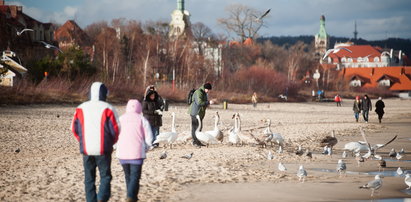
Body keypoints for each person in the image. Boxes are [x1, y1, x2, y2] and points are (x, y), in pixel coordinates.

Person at [71, 82, 120, 202]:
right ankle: (102, 198)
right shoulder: (108, 108)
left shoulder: (81, 108)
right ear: (104, 93)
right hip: (103, 148)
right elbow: (116, 129)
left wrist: (82, 141)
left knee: (89, 178)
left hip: (87, 149)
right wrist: (111, 143)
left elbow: (74, 128)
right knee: (105, 176)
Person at [116, 99, 153, 202]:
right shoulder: (142, 119)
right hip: (136, 153)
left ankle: (132, 196)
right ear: (139, 108)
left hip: (122, 154)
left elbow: (114, 134)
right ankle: (131, 197)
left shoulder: (121, 119)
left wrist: (116, 146)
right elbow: (149, 137)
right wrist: (146, 147)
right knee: (135, 177)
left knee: (128, 176)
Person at [188, 82, 214, 147]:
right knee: (195, 128)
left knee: (199, 127)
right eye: (208, 89)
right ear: (205, 88)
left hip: (200, 113)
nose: (208, 91)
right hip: (195, 113)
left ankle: (198, 141)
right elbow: (199, 102)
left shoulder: (204, 93)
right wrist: (208, 102)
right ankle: (195, 142)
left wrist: (207, 104)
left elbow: (203, 103)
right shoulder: (198, 92)